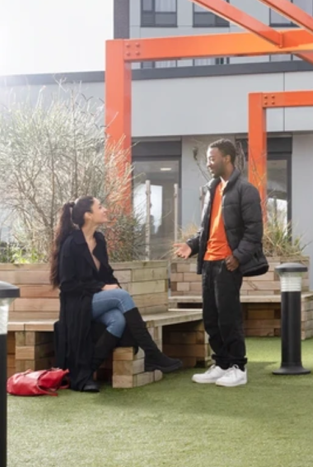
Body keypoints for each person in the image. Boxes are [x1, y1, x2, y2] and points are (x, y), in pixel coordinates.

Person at [51, 197, 183, 393]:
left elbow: (106, 274)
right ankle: (152, 353)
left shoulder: (99, 240)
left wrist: (111, 286)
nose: (105, 209)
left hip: (94, 300)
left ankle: (87, 373)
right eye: (100, 207)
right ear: (88, 215)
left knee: (118, 320)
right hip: (76, 304)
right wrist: (102, 288)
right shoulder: (71, 244)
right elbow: (67, 285)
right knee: (121, 296)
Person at [173, 139, 267, 388]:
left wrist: (237, 256)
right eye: (207, 159)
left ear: (227, 158)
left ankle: (238, 367)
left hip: (228, 264)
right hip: (209, 263)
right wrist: (192, 245)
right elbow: (207, 229)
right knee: (211, 318)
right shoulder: (212, 189)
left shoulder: (245, 190)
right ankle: (222, 364)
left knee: (228, 318)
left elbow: (254, 231)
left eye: (212, 158)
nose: (208, 163)